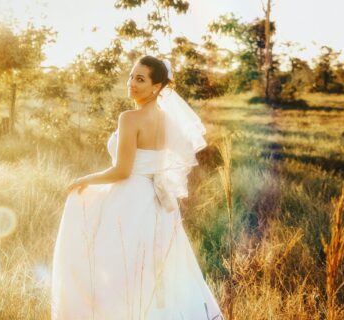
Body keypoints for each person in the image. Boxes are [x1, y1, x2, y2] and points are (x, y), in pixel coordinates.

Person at [50, 56, 224, 319]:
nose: (131, 83)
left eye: (140, 79)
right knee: (159, 274)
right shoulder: (168, 120)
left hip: (129, 199)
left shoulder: (129, 118)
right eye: (131, 76)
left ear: (156, 87)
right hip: (160, 205)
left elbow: (122, 171)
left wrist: (85, 180)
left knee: (116, 270)